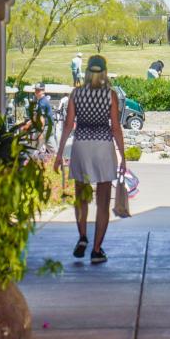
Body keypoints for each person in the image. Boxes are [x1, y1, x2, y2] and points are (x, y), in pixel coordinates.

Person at [54, 55, 127, 264]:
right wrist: (123, 156)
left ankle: (83, 237)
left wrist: (59, 154)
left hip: (81, 147)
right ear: (104, 72)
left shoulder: (76, 94)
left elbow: (68, 125)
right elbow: (115, 127)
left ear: (86, 72)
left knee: (81, 198)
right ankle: (96, 250)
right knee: (103, 203)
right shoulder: (110, 95)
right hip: (103, 147)